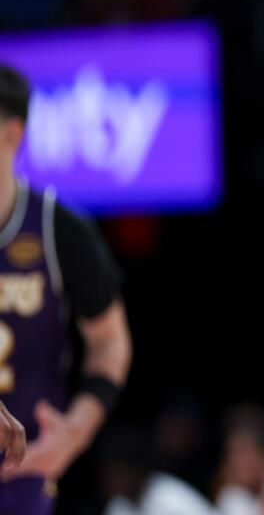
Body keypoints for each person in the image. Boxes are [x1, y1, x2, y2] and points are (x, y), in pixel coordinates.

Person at [0, 63, 133, 514]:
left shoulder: (60, 230)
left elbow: (110, 343)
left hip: (22, 482)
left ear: (12, 133)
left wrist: (76, 430)